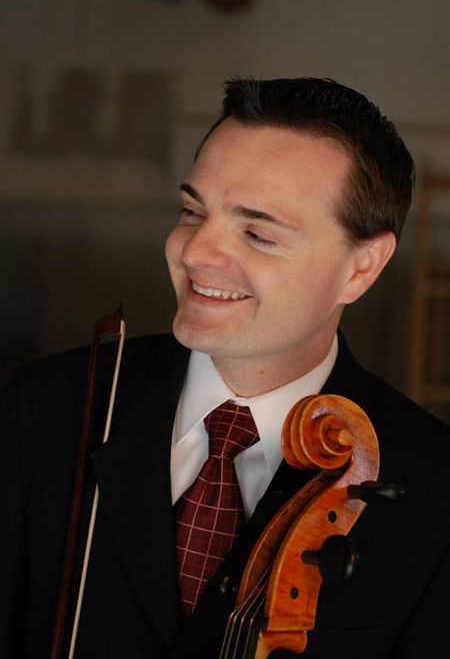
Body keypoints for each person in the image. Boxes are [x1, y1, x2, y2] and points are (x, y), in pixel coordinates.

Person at [1, 77, 449, 659]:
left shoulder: (435, 488)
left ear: (361, 267)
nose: (193, 252)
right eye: (192, 210)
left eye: (257, 234)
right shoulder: (47, 407)